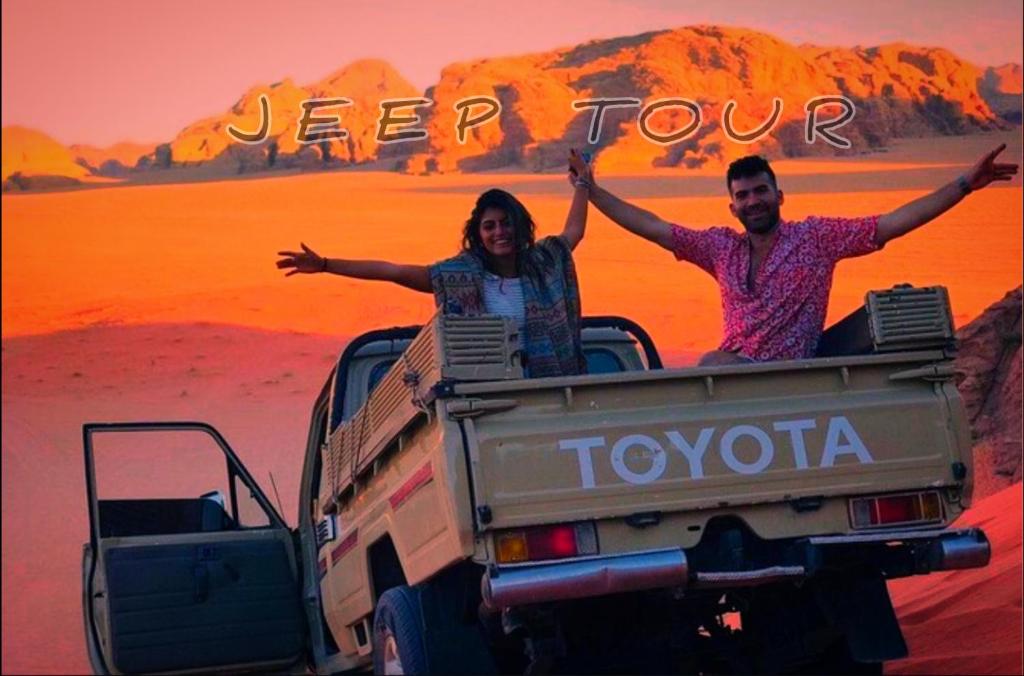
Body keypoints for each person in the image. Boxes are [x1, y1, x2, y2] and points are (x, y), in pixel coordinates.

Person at [581, 144, 1018, 364]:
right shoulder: (720, 248)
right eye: (743, 195)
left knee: (710, 365)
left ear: (779, 196)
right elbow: (653, 227)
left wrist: (964, 185)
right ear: (732, 206)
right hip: (731, 378)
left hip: (789, 378)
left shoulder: (816, 239)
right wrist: (593, 192)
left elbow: (892, 223)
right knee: (707, 368)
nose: (753, 201)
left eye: (761, 191)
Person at [276, 150, 594, 377]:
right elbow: (392, 271)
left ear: (520, 226)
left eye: (506, 223)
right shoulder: (459, 276)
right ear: (478, 233)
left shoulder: (545, 263)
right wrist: (326, 264)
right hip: (491, 402)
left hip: (551, 393)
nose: (500, 232)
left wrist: (583, 184)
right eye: (490, 225)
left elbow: (573, 231)